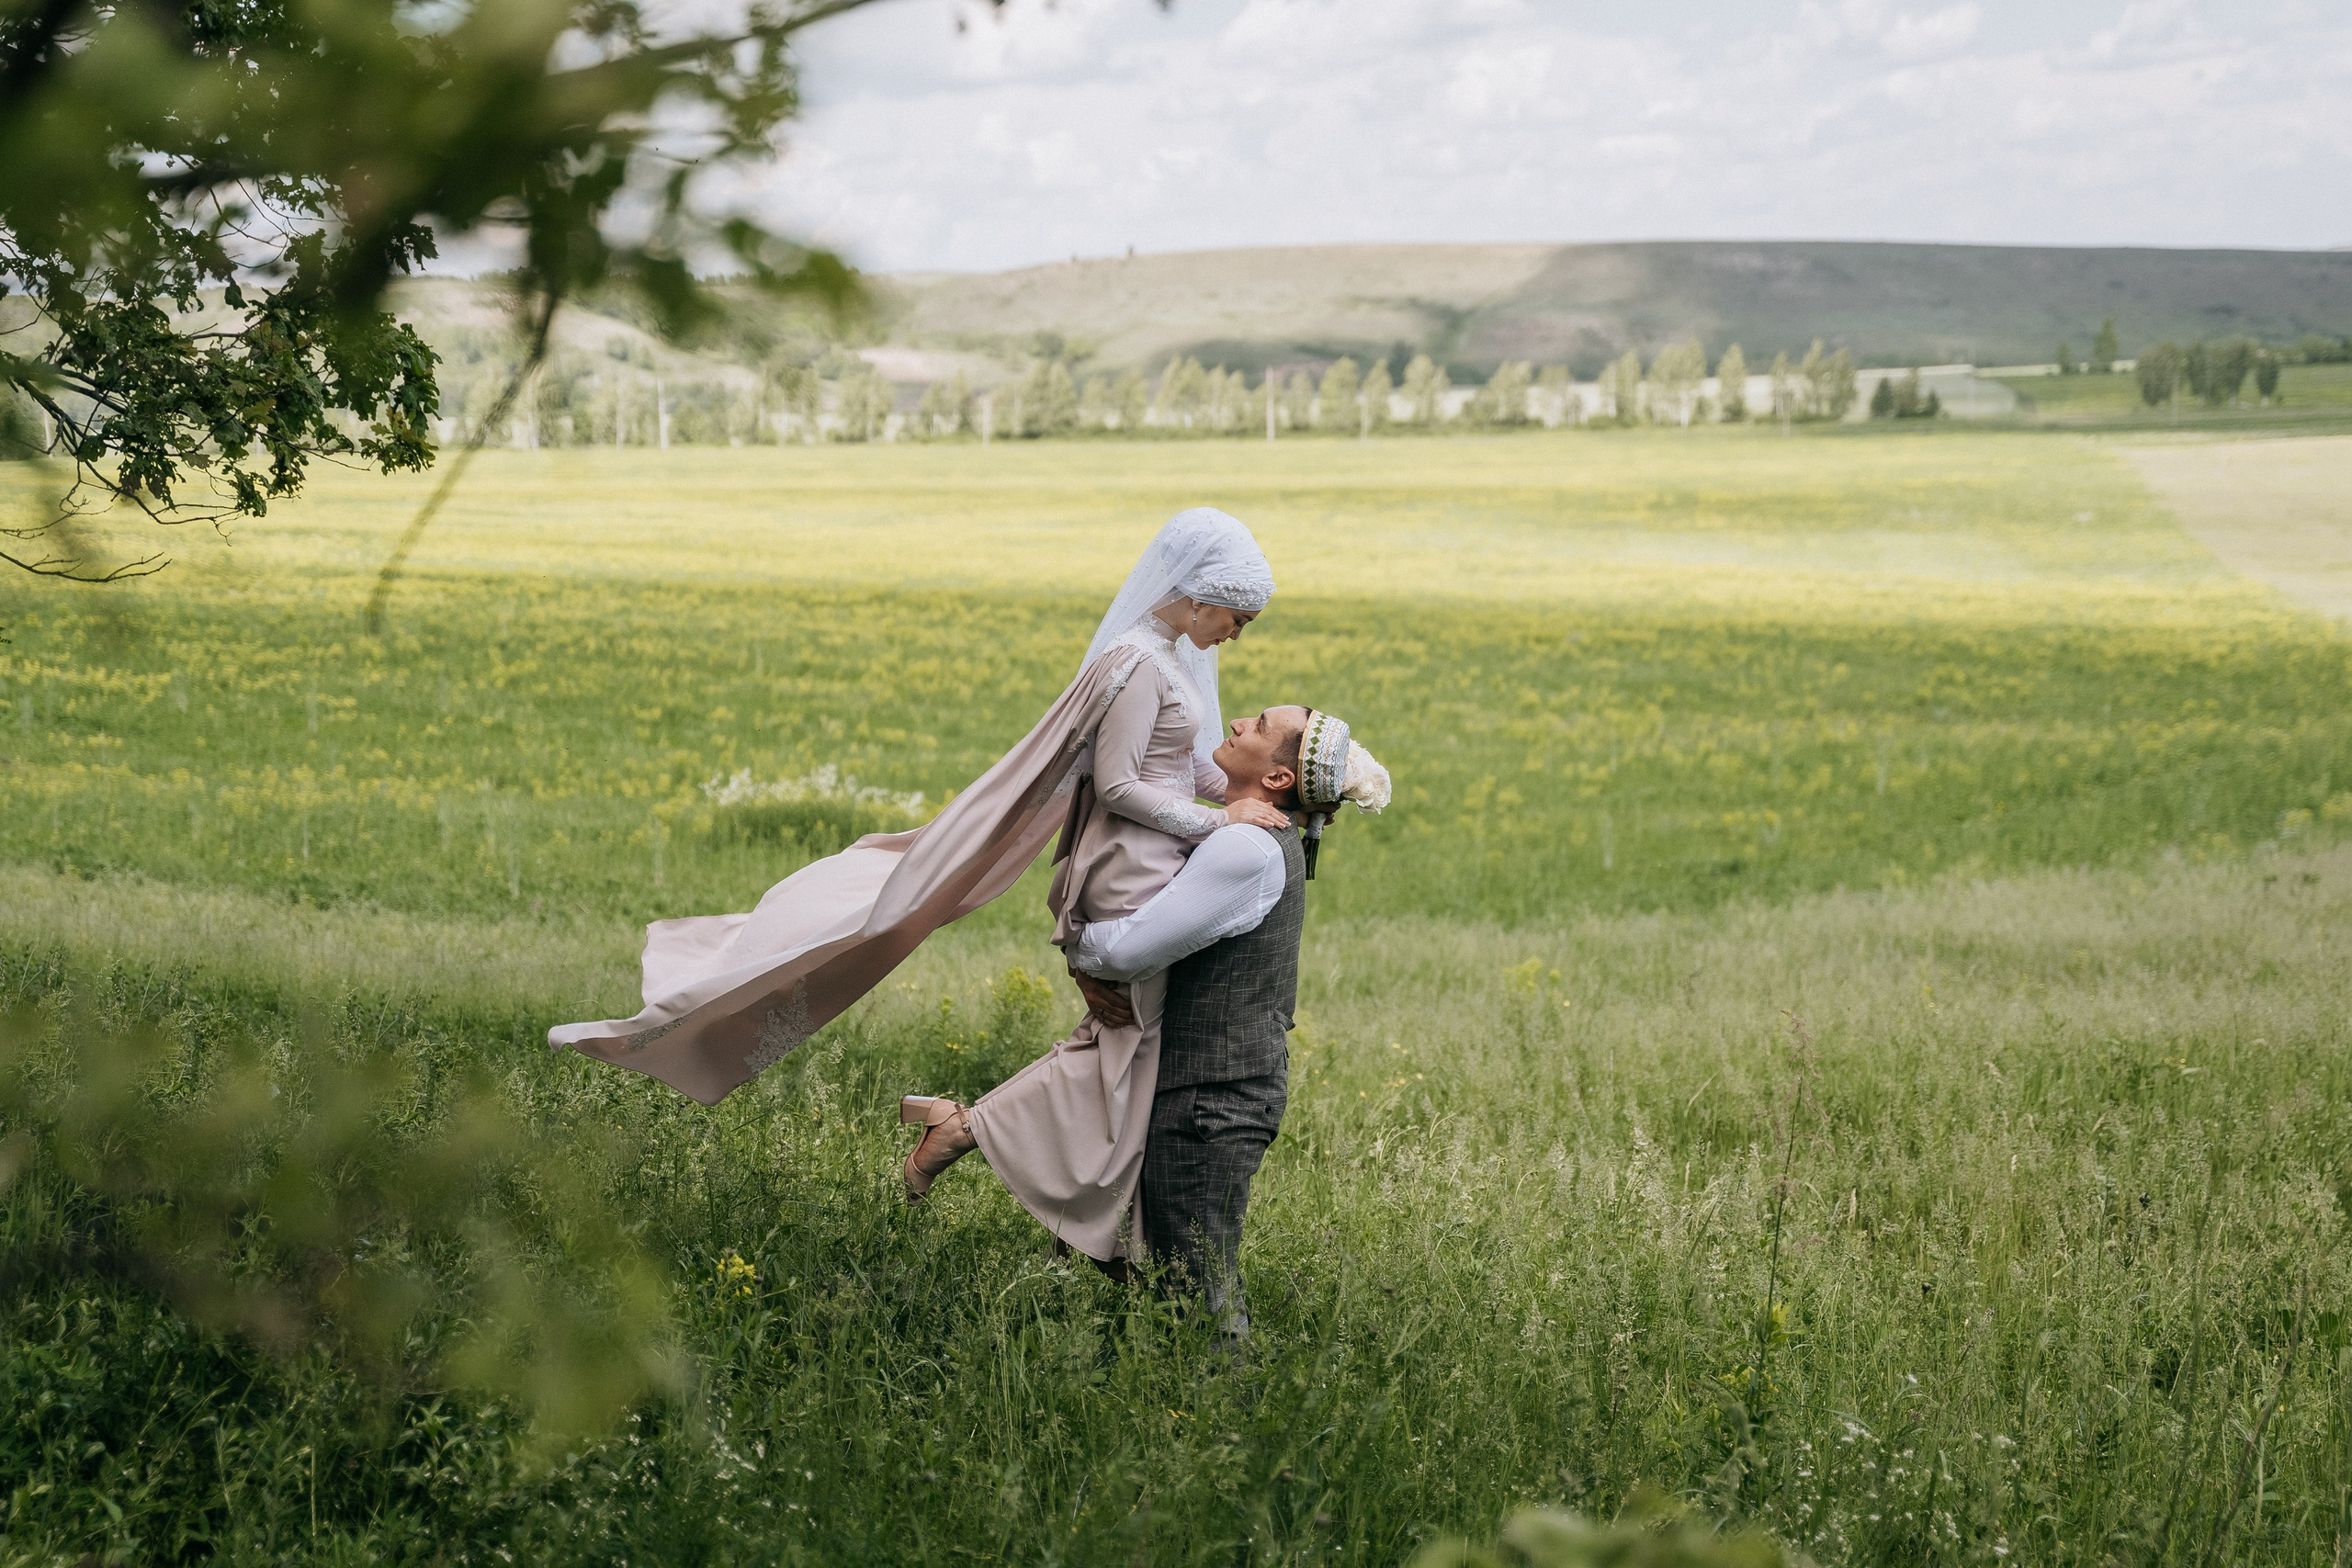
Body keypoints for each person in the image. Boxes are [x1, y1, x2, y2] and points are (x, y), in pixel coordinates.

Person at [547, 508, 1280, 1109]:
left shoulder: (1171, 660)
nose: (1237, 634)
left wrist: (1288, 793)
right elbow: (1118, 785)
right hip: (1128, 862)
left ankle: (1060, 1173)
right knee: (1120, 1038)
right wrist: (1222, 822)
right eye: (1238, 617)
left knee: (1130, 1040)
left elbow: (1189, 770)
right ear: (1196, 594)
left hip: (1154, 852)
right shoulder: (1137, 664)